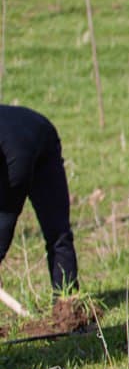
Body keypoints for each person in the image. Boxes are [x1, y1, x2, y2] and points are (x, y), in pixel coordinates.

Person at [0, 105, 78, 293]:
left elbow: (4, 220)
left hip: (39, 141)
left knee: (57, 232)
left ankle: (67, 307)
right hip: (14, 140)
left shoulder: (15, 162)